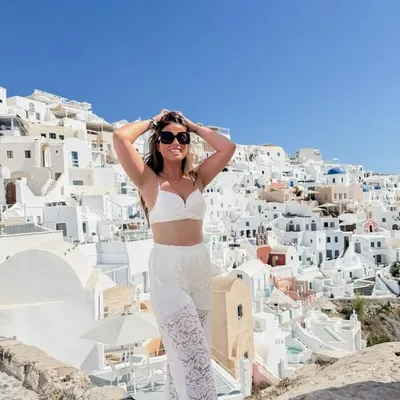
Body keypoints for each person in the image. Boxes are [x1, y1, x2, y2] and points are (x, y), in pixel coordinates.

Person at [113, 110, 236, 399]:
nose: (175, 142)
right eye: (167, 137)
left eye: (182, 138)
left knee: (186, 355)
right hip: (168, 271)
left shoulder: (197, 178)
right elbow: (120, 138)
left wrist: (193, 127)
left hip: (199, 268)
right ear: (158, 144)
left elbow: (227, 148)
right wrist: (154, 121)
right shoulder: (148, 180)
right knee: (194, 356)